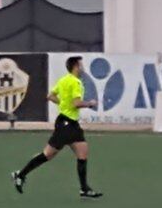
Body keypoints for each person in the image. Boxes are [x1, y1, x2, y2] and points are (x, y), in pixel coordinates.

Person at [14, 55, 102, 199]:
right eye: (81, 65)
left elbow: (50, 96)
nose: (83, 67)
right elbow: (76, 103)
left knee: (83, 152)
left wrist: (62, 103)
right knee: (47, 155)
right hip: (66, 124)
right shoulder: (76, 82)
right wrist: (90, 103)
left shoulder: (63, 80)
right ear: (76, 66)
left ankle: (84, 189)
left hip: (71, 123)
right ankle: (20, 175)